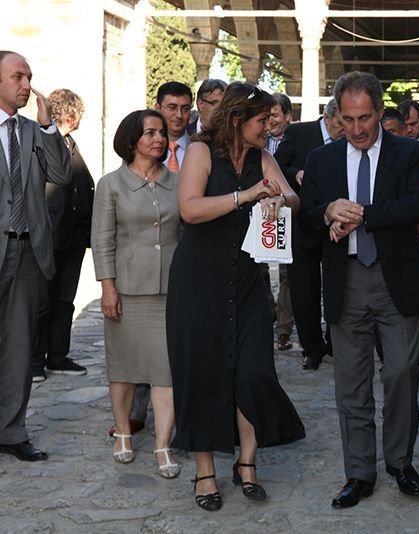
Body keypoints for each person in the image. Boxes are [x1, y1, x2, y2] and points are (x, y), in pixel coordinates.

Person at [167, 82, 305, 512]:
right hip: (199, 282)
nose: (270, 125)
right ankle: (205, 470)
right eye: (262, 119)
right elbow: (189, 209)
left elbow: (294, 199)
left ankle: (247, 463)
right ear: (236, 120)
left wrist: (281, 198)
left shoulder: (264, 157)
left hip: (248, 280)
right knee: (204, 374)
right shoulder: (202, 153)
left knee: (254, 370)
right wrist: (244, 196)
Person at [299, 71, 419, 508]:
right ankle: (358, 472)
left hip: (397, 279)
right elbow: (308, 218)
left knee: (400, 372)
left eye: (365, 118)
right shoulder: (322, 160)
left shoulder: (410, 152)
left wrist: (362, 215)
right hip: (347, 279)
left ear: (379, 111)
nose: (356, 129)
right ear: (336, 114)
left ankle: (400, 461)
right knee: (350, 383)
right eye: (347, 119)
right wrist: (327, 213)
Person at [91, 109, 181, 478]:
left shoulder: (177, 182)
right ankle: (124, 432)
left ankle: (162, 445)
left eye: (161, 133)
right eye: (150, 133)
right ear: (132, 141)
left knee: (166, 372)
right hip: (126, 291)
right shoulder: (111, 184)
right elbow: (102, 240)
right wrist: (108, 288)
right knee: (124, 368)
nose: (159, 138)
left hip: (171, 290)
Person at [0, 50, 71, 462]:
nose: (27, 85)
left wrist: (48, 128)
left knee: (19, 346)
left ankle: (11, 431)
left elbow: (61, 174)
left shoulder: (34, 131)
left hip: (27, 251)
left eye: (29, 77)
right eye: (17, 77)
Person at [275, 98, 344, 370]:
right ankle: (311, 347)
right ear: (328, 117)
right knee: (304, 289)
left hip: (336, 225)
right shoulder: (299, 133)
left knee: (337, 285)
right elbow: (276, 165)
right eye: (340, 123)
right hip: (302, 223)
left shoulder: (350, 139)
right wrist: (297, 173)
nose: (344, 129)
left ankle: (335, 341)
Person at [31, 88, 93, 382]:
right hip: (49, 235)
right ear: (71, 112)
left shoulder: (70, 142)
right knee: (41, 300)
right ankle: (33, 360)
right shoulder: (41, 140)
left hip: (72, 237)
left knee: (64, 300)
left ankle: (57, 355)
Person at [263, 91, 294, 351]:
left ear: (287, 116)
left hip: (286, 215)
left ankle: (283, 330)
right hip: (258, 215)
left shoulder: (297, 140)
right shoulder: (256, 141)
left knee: (287, 274)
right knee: (258, 270)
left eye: (274, 115)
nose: (270, 121)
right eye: (266, 116)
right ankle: (268, 312)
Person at [154, 81, 193, 173]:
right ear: (157, 108)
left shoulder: (201, 149)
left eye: (185, 109)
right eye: (172, 108)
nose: (179, 115)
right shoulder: (145, 148)